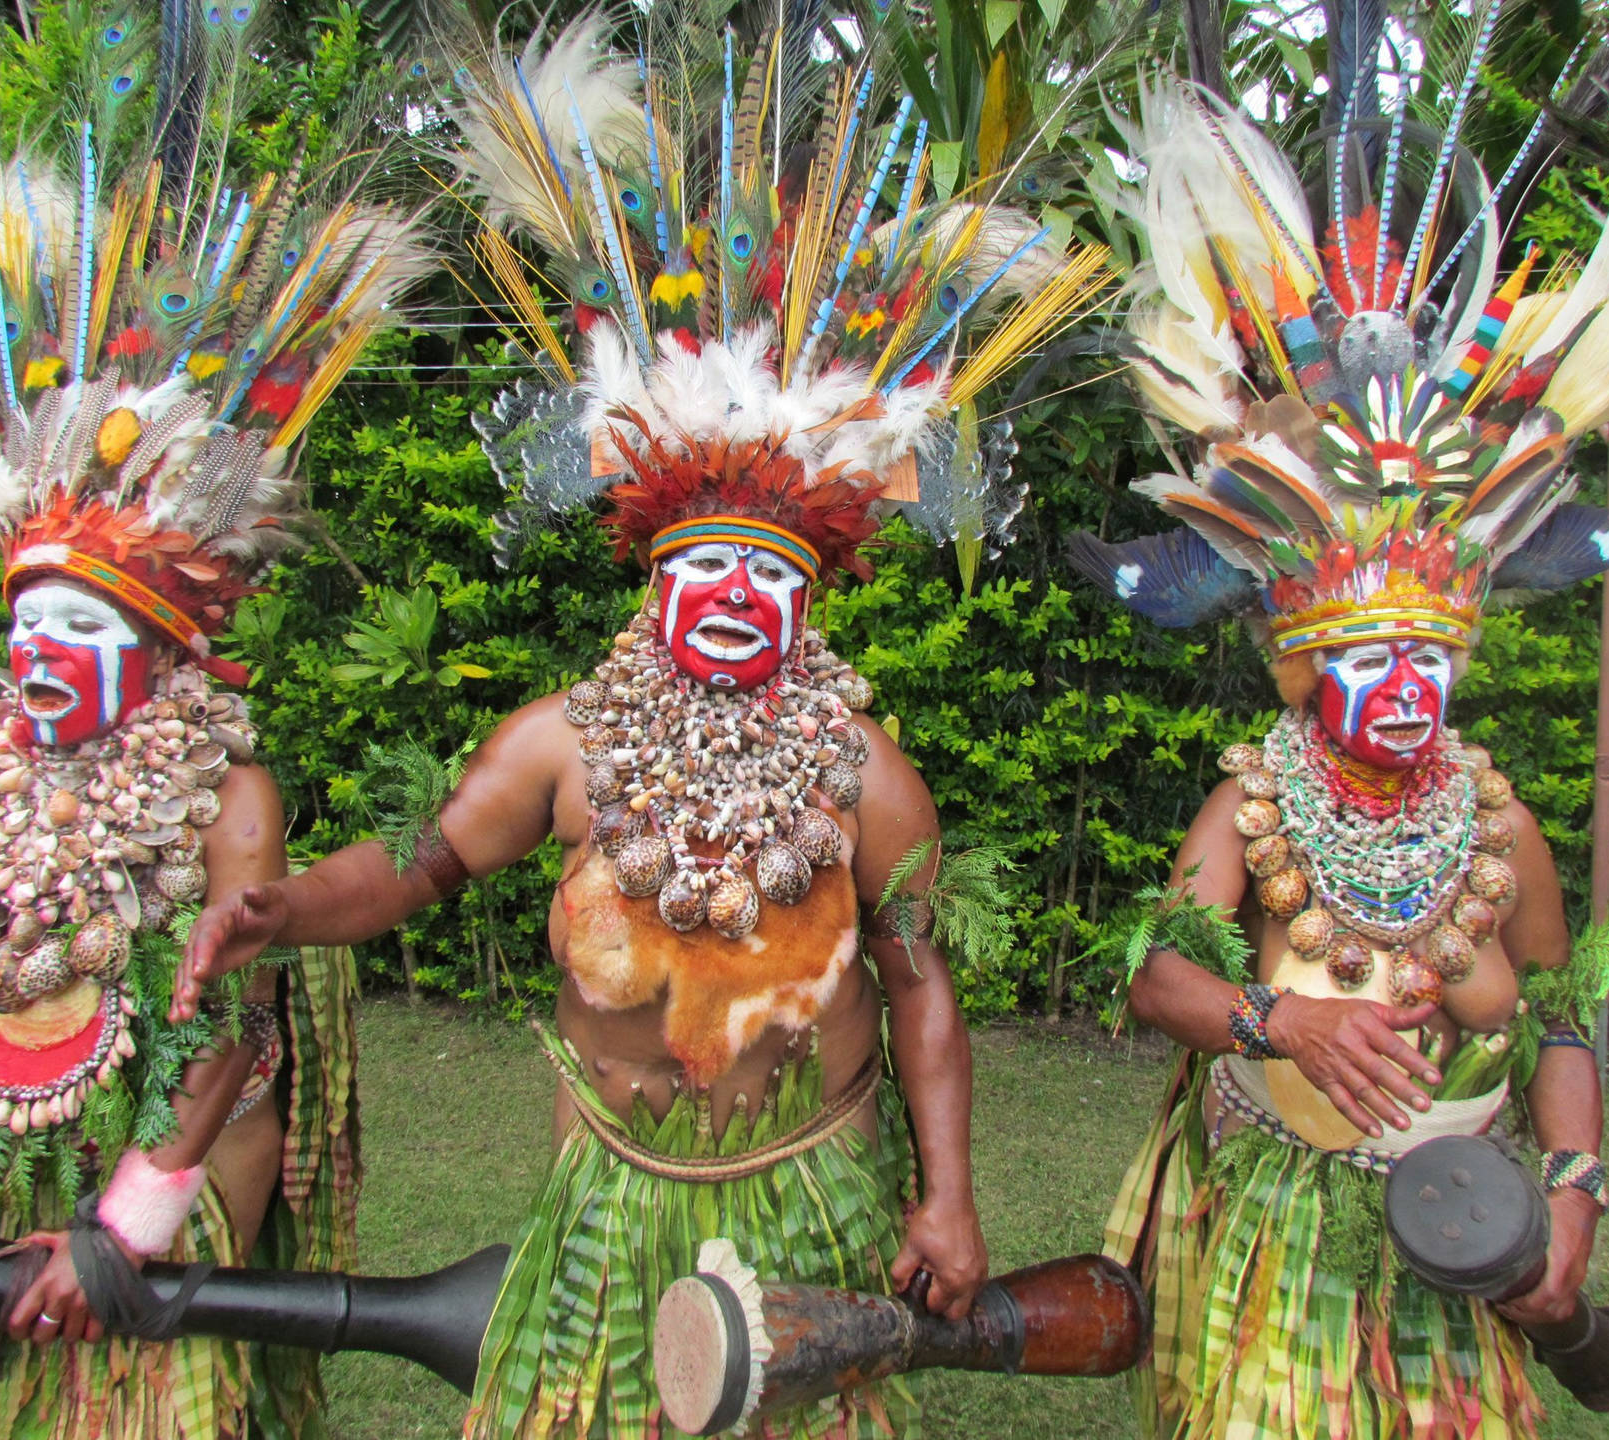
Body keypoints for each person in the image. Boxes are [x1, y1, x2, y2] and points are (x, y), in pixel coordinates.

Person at [173, 11, 1110, 1435]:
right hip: (606, 1199)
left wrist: (952, 1197)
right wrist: (283, 912)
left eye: (766, 575)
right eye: (706, 567)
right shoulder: (559, 744)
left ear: (804, 600)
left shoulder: (862, 771)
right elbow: (415, 869)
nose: (734, 593)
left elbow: (919, 987)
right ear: (655, 576)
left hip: (813, 1190)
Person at [1071, 68, 1609, 1440]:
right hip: (1284, 1219)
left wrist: (1578, 1189)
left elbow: (1554, 1012)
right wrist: (1282, 1019)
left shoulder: (1501, 828)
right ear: (1308, 670)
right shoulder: (1253, 802)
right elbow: (1157, 972)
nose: (1406, 686)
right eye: (1371, 659)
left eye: (1428, 658)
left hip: (1463, 1227)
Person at [0, 7, 429, 1432]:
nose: (41, 654)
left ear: (162, 654)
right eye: (27, 623)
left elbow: (228, 1014)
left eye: (83, 628)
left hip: (154, 1185)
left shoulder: (230, 793)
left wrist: (127, 1221)